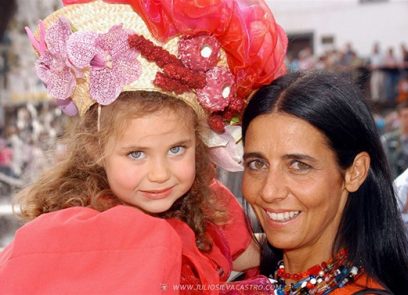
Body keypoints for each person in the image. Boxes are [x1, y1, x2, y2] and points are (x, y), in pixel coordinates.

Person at [0, 0, 287, 294]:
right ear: (94, 147)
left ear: (198, 142)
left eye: (177, 149)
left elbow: (259, 255)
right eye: (136, 154)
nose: (160, 174)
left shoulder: (207, 202)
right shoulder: (75, 235)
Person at [240, 71, 408, 294]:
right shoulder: (247, 278)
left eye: (299, 165)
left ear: (354, 172)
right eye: (256, 164)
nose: (269, 192)